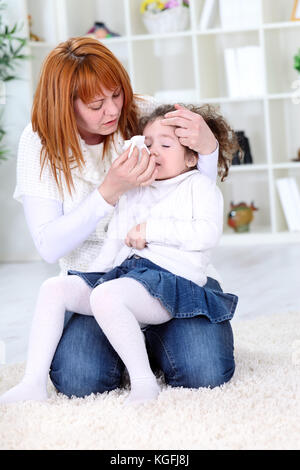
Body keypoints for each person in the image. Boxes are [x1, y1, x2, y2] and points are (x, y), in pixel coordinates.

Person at [6, 37, 235, 402]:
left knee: (205, 370)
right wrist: (108, 193)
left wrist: (208, 149)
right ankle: (40, 383)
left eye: (116, 94)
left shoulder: (145, 121)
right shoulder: (40, 142)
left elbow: (194, 199)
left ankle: (146, 349)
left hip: (169, 271)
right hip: (100, 274)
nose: (112, 110)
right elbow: (49, 247)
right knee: (80, 378)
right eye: (97, 104)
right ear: (64, 106)